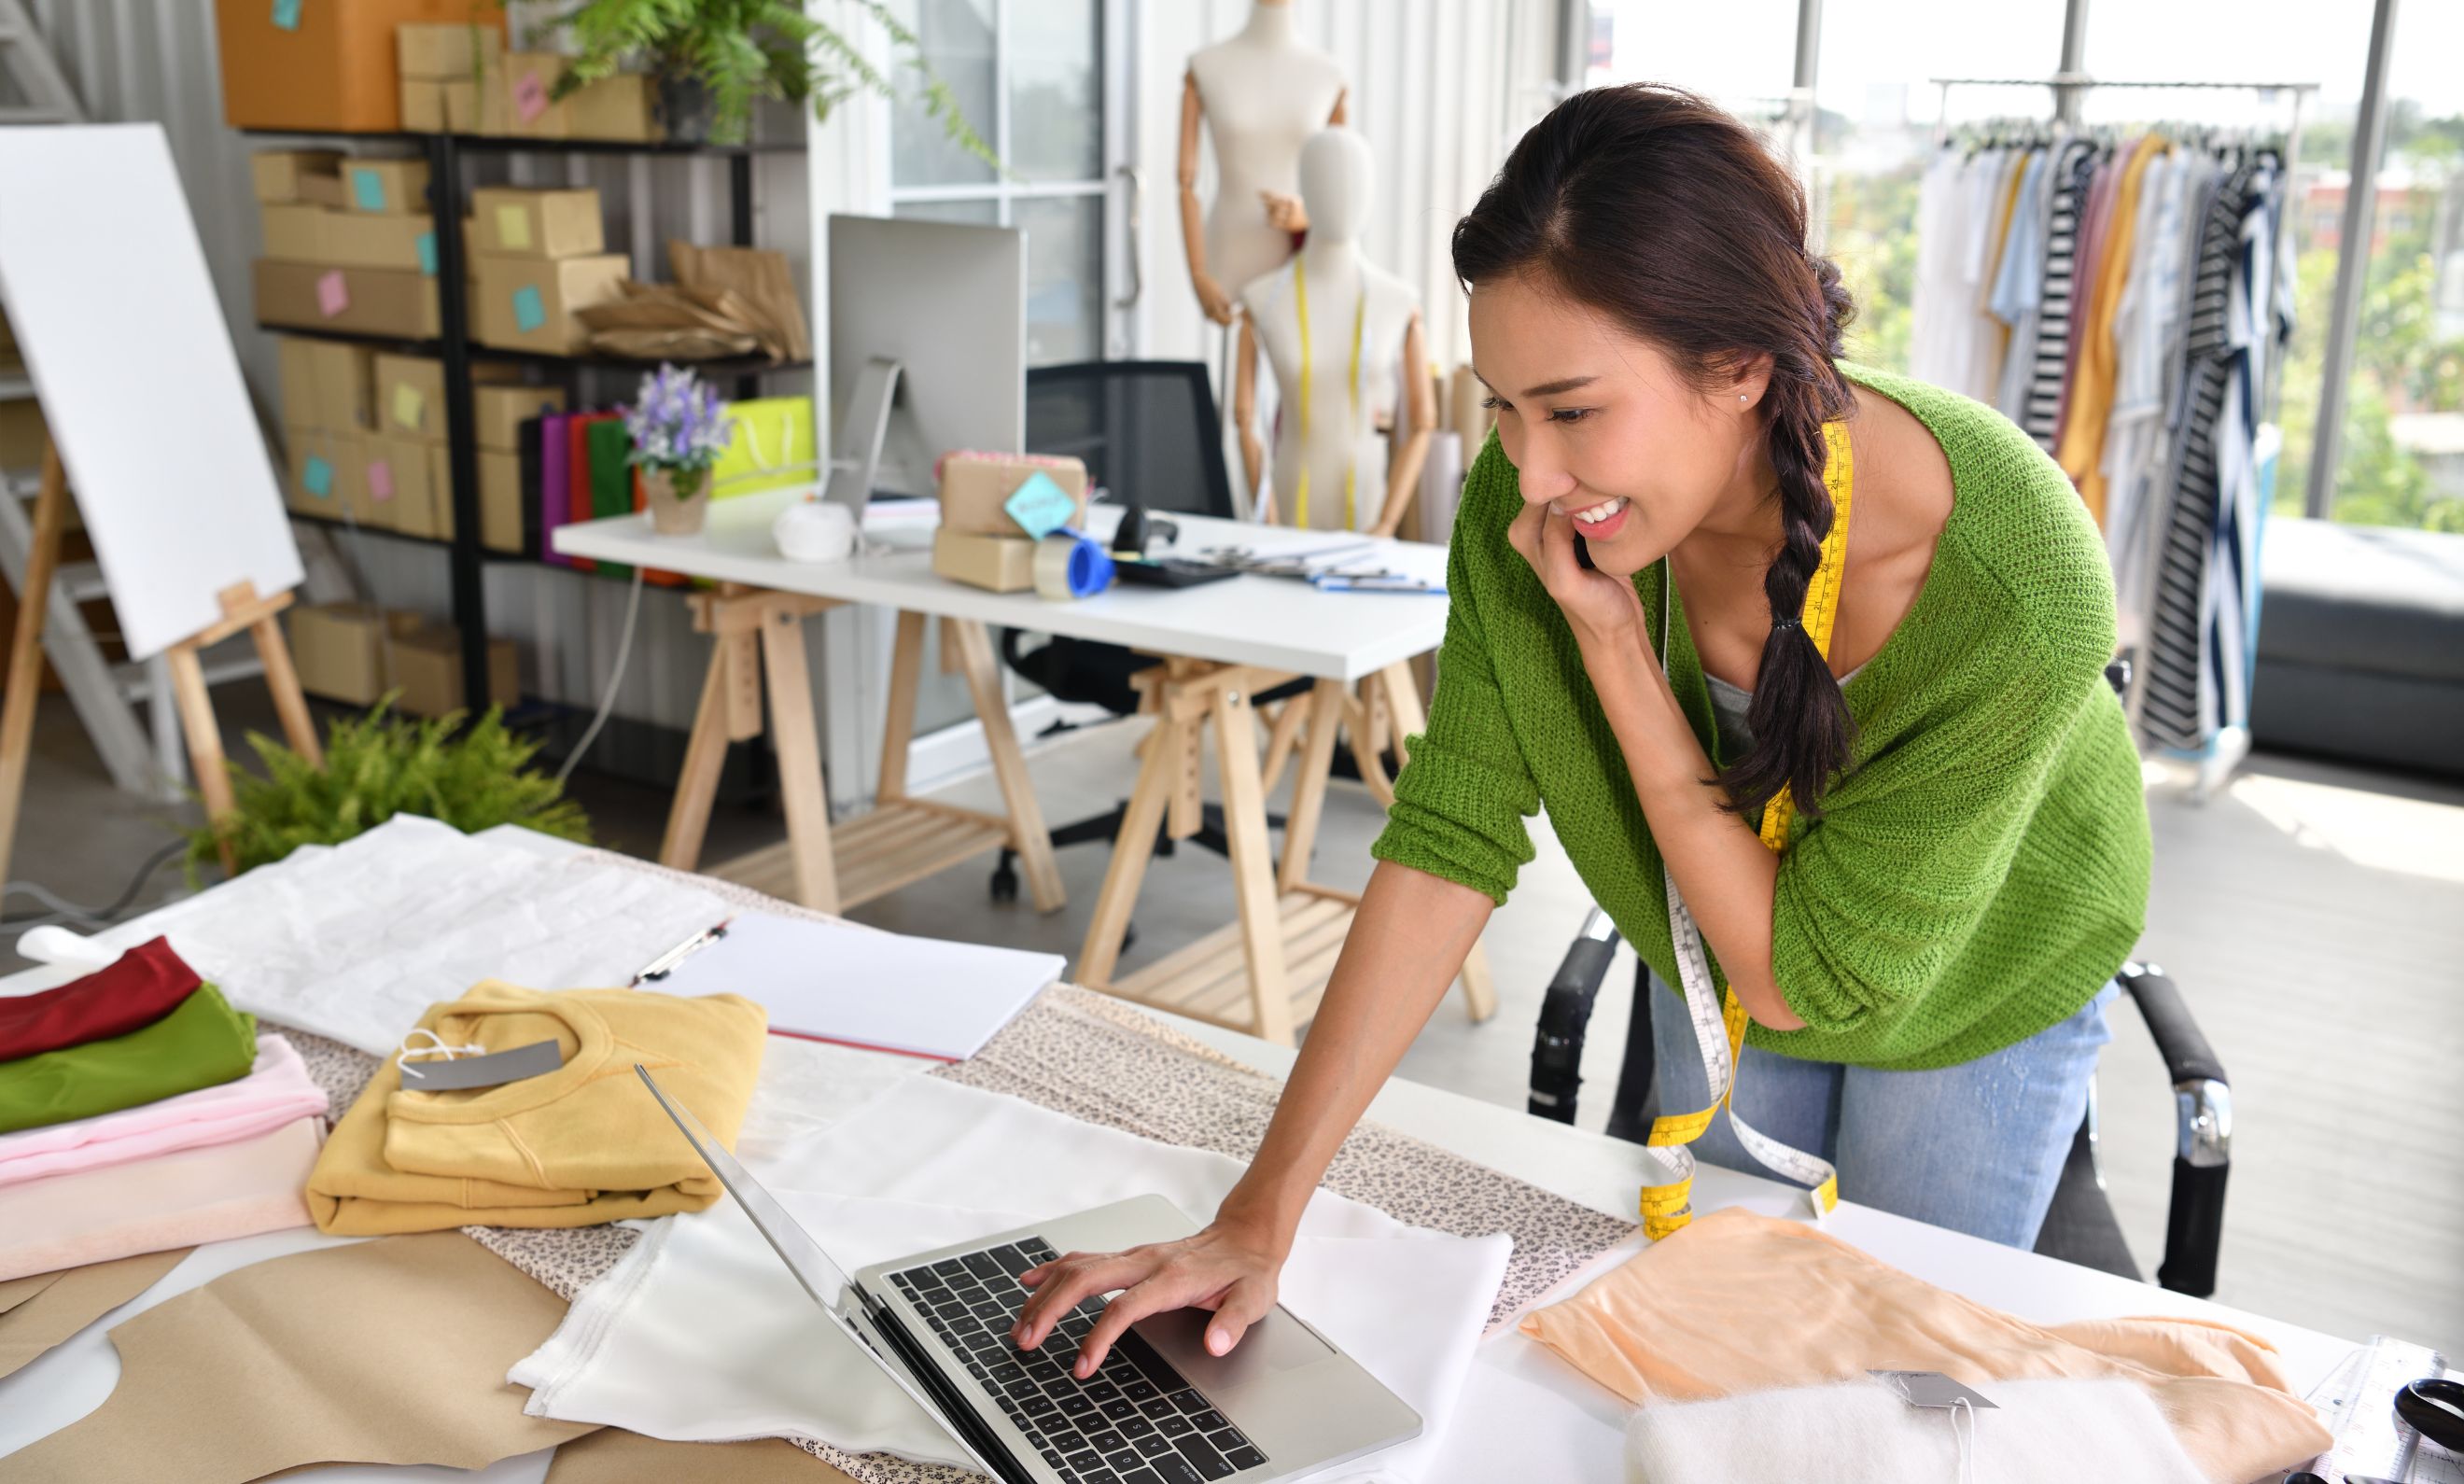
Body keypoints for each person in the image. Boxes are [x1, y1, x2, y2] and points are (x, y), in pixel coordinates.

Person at [1009, 83, 2151, 1379]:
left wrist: (1615, 650)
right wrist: (1258, 1213)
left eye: (1569, 408)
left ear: (1741, 367)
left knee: (1907, 1387)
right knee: (1728, 1354)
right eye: (1499, 405)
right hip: (1721, 943)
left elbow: (1800, 979)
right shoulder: (1541, 500)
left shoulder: (2015, 582)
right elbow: (1447, 837)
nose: (1526, 472)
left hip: (1975, 981)